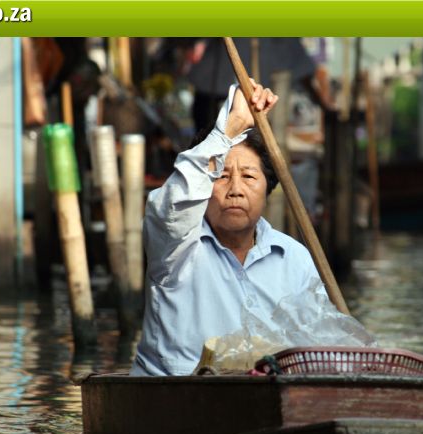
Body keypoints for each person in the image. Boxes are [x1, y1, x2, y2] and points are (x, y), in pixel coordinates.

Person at [130, 79, 322, 376]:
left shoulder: (295, 259)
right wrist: (229, 129)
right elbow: (172, 206)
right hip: (178, 392)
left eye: (249, 177)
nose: (235, 190)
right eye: (221, 177)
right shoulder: (175, 246)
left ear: (267, 189)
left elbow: (316, 344)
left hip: (264, 393)